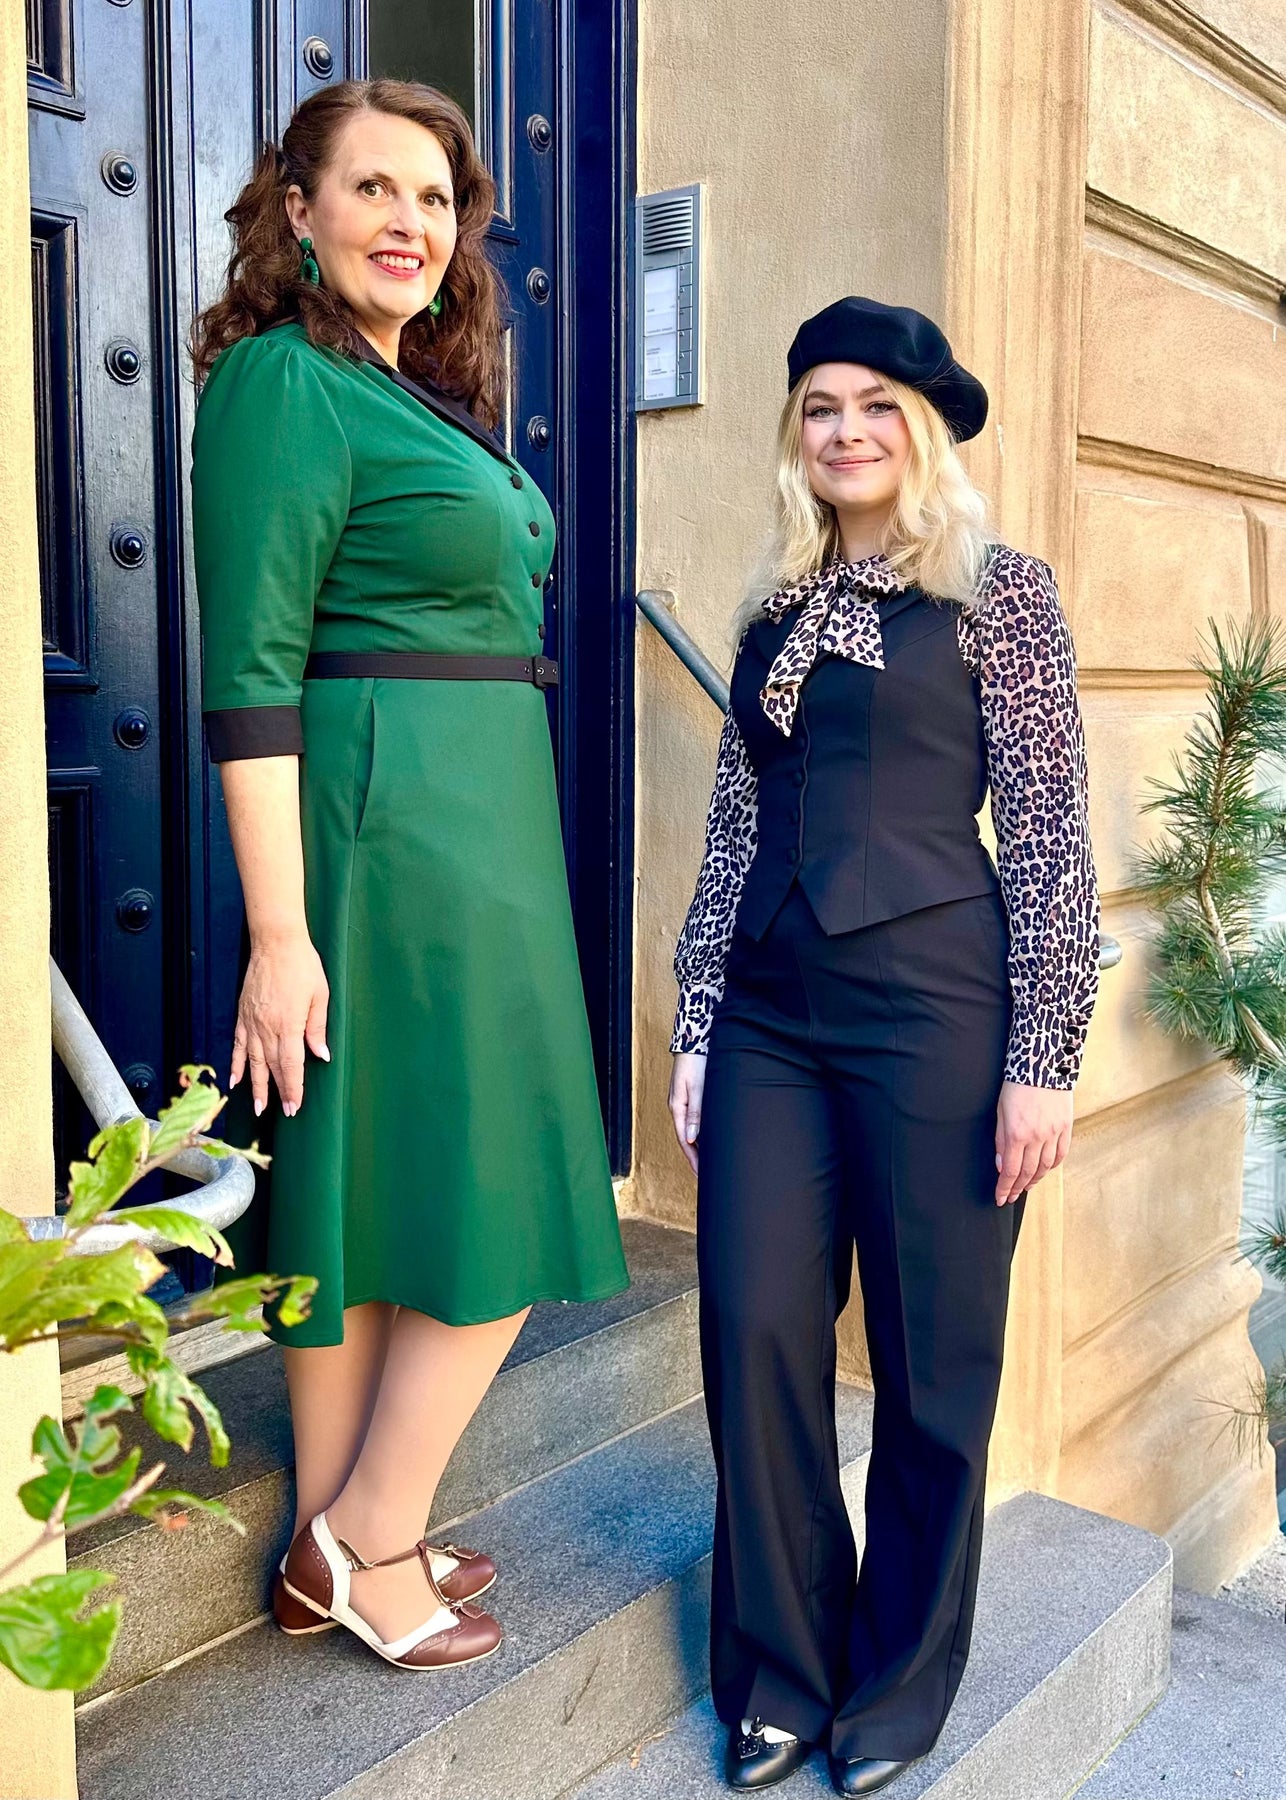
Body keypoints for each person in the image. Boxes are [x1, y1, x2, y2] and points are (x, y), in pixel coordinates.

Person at [190, 78, 627, 1673]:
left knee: (371, 1185)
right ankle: (374, 1537)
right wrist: (279, 932)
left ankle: (326, 1542)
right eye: (372, 188)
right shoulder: (282, 382)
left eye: (434, 198)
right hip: (389, 833)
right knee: (495, 1183)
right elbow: (251, 672)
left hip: (471, 821)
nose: (408, 221)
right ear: (297, 211)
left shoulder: (406, 394)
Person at [668, 297, 1099, 1794]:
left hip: (937, 1014)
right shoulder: (768, 609)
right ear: (795, 432)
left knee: (931, 1363)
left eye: (874, 408)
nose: (844, 431)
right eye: (819, 406)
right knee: (754, 1333)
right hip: (771, 1017)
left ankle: (901, 1681)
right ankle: (781, 1672)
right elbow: (736, 826)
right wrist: (698, 1020)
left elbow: (1047, 837)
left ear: (919, 432)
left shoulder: (1000, 598)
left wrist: (1043, 1057)